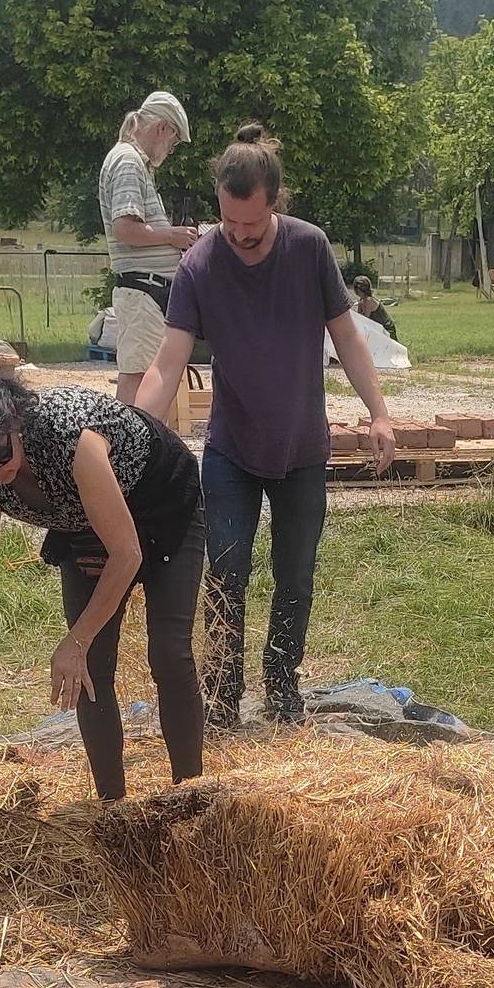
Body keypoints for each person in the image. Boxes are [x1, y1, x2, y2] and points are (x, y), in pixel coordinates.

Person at [136, 124, 397, 725]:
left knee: (295, 577)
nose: (240, 237)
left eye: (252, 227)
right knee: (225, 574)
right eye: (229, 225)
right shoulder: (200, 264)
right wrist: (131, 432)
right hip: (230, 450)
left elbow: (349, 340)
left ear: (275, 204)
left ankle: (282, 688)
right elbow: (166, 363)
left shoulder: (308, 249)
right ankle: (223, 698)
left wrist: (379, 412)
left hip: (302, 448)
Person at [0, 369, 204, 801]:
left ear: (11, 420)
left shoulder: (71, 436)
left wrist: (75, 638)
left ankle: (191, 796)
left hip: (163, 506)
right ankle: (111, 808)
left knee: (169, 655)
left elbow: (127, 553)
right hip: (83, 524)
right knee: (89, 670)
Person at [99, 90, 198, 406]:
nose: (171, 150)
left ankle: (141, 449)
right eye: (174, 141)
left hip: (145, 291)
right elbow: (125, 228)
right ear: (162, 129)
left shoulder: (131, 161)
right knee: (141, 377)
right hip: (143, 291)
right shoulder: (129, 161)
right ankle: (133, 451)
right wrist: (172, 236)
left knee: (144, 375)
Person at [351, 275, 397, 339]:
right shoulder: (362, 300)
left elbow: (365, 321)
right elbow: (359, 318)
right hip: (378, 329)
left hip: (386, 330)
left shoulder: (368, 300)